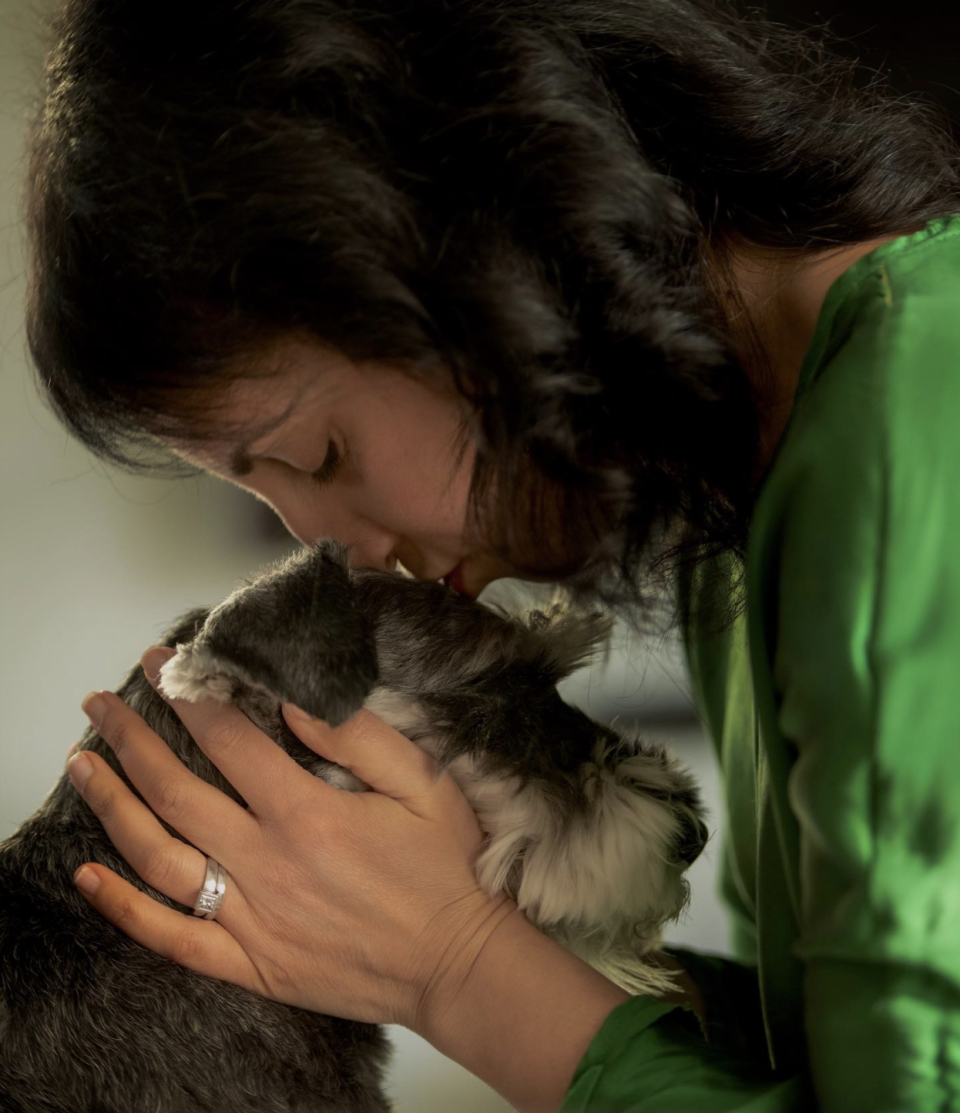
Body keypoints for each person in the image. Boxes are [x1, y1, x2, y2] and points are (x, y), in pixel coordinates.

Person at [26, 0, 960, 1109]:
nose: (329, 547)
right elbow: (817, 1043)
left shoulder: (917, 423)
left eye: (318, 452)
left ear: (460, 253)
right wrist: (389, 921)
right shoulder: (755, 484)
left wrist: (459, 966)